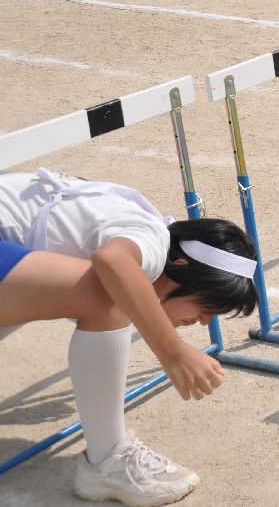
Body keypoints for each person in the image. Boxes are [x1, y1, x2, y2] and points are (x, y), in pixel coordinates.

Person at [0, 170, 259, 506]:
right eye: (207, 305)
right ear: (180, 265)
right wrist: (173, 351)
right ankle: (108, 460)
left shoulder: (140, 220)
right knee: (108, 294)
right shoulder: (150, 239)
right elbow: (113, 263)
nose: (204, 320)